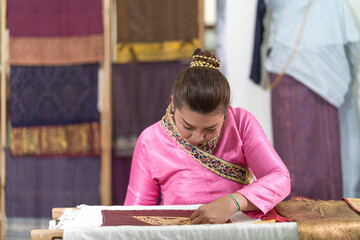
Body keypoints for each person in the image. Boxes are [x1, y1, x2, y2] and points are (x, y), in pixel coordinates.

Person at [124, 48, 291, 224]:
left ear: (225, 113)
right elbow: (136, 214)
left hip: (237, 231)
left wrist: (232, 202)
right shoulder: (150, 140)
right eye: (187, 126)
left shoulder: (241, 123)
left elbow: (280, 178)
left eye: (210, 129)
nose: (197, 137)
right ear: (173, 103)